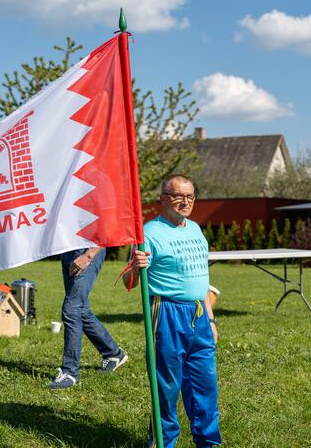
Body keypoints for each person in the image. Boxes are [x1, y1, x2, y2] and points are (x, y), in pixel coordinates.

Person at [124, 174, 221, 448]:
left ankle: (208, 442)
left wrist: (211, 319)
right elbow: (129, 283)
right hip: (166, 312)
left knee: (205, 385)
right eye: (178, 196)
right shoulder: (149, 234)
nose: (185, 202)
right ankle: (163, 442)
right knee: (165, 386)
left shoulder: (195, 230)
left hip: (199, 314)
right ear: (163, 199)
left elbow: (200, 278)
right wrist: (135, 266)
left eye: (190, 196)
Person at [48, 247, 128, 389]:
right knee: (81, 309)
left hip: (87, 251)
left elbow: (105, 228)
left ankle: (69, 372)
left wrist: (88, 255)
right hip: (69, 250)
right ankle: (113, 354)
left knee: (72, 309)